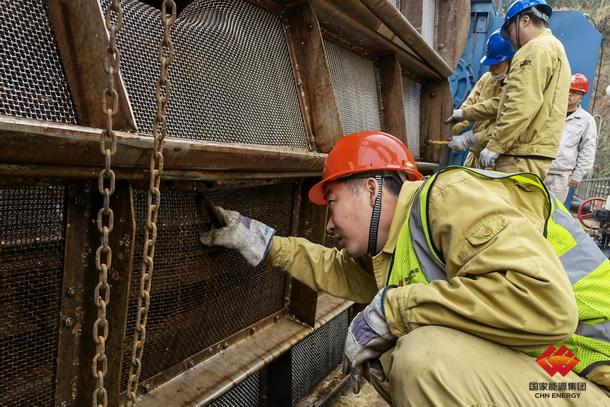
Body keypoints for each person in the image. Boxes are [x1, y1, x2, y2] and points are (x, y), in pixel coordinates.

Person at [200, 131, 610, 405]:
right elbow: (338, 269)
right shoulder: (402, 247)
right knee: (394, 353)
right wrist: (266, 243)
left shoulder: (448, 197)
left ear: (373, 190)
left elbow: (548, 306)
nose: (327, 223)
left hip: (587, 373)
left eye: (333, 203)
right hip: (556, 364)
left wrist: (395, 310)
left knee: (422, 358)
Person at [446, 0, 570, 180]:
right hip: (529, 152)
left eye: (510, 30)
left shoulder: (534, 49)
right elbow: (505, 103)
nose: (510, 39)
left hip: (520, 154)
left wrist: (495, 145)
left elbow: (521, 105)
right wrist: (463, 114)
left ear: (524, 21)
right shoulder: (552, 47)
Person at [448, 29, 514, 168]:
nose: (490, 69)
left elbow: (507, 124)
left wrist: (470, 140)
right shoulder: (487, 79)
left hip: (496, 158)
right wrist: (450, 129)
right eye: (490, 64)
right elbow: (470, 106)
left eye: (496, 65)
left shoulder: (517, 86)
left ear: (511, 62)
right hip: (475, 155)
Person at [545, 73, 597, 202]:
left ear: (582, 96)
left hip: (560, 176)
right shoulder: (550, 111)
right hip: (538, 167)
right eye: (567, 90)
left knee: (553, 211)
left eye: (574, 92)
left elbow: (588, 150)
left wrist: (578, 175)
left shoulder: (586, 120)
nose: (569, 94)